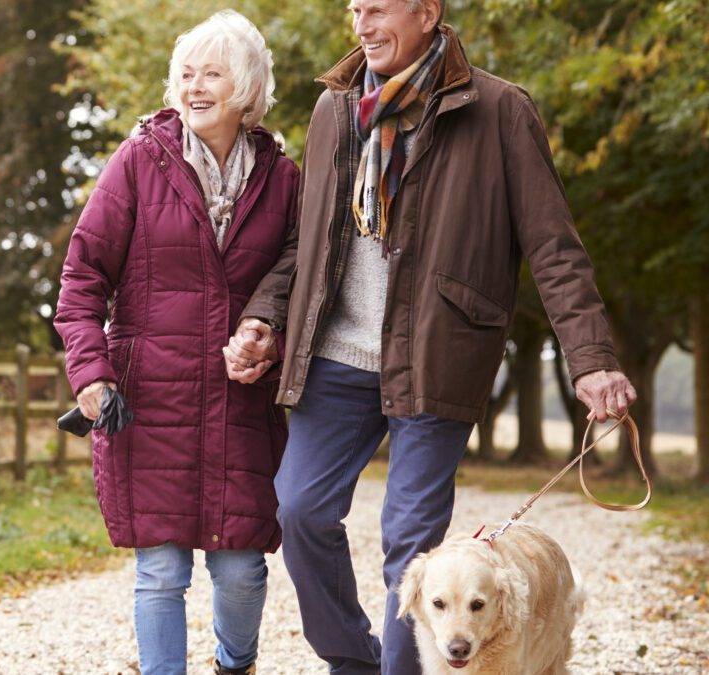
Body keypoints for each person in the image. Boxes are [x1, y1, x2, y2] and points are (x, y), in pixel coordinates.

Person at [223, 1, 636, 673]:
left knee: (409, 539)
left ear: (426, 11)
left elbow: (553, 245)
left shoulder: (500, 110)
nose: (362, 23)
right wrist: (263, 319)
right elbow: (306, 240)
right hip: (336, 354)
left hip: (437, 355)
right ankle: (354, 658)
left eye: (378, 8)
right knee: (298, 511)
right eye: (355, 8)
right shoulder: (333, 110)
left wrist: (589, 358)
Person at [54, 11, 298, 674]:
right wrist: (91, 373)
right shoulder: (138, 161)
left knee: (242, 566)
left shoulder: (284, 179)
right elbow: (81, 279)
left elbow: (299, 272)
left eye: (212, 73)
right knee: (160, 570)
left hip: (239, 404)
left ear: (245, 88)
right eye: (185, 73)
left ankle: (233, 662)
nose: (195, 86)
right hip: (148, 400)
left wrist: (265, 333)